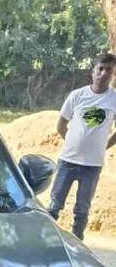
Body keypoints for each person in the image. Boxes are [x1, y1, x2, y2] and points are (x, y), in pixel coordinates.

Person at [49, 52, 116, 240]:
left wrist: (103, 146)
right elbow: (61, 125)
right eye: (100, 69)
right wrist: (73, 143)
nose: (103, 73)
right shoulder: (77, 96)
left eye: (109, 70)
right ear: (93, 72)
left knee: (82, 210)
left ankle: (78, 243)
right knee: (54, 206)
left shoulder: (114, 99)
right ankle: (46, 240)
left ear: (113, 74)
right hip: (67, 161)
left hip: (92, 166)